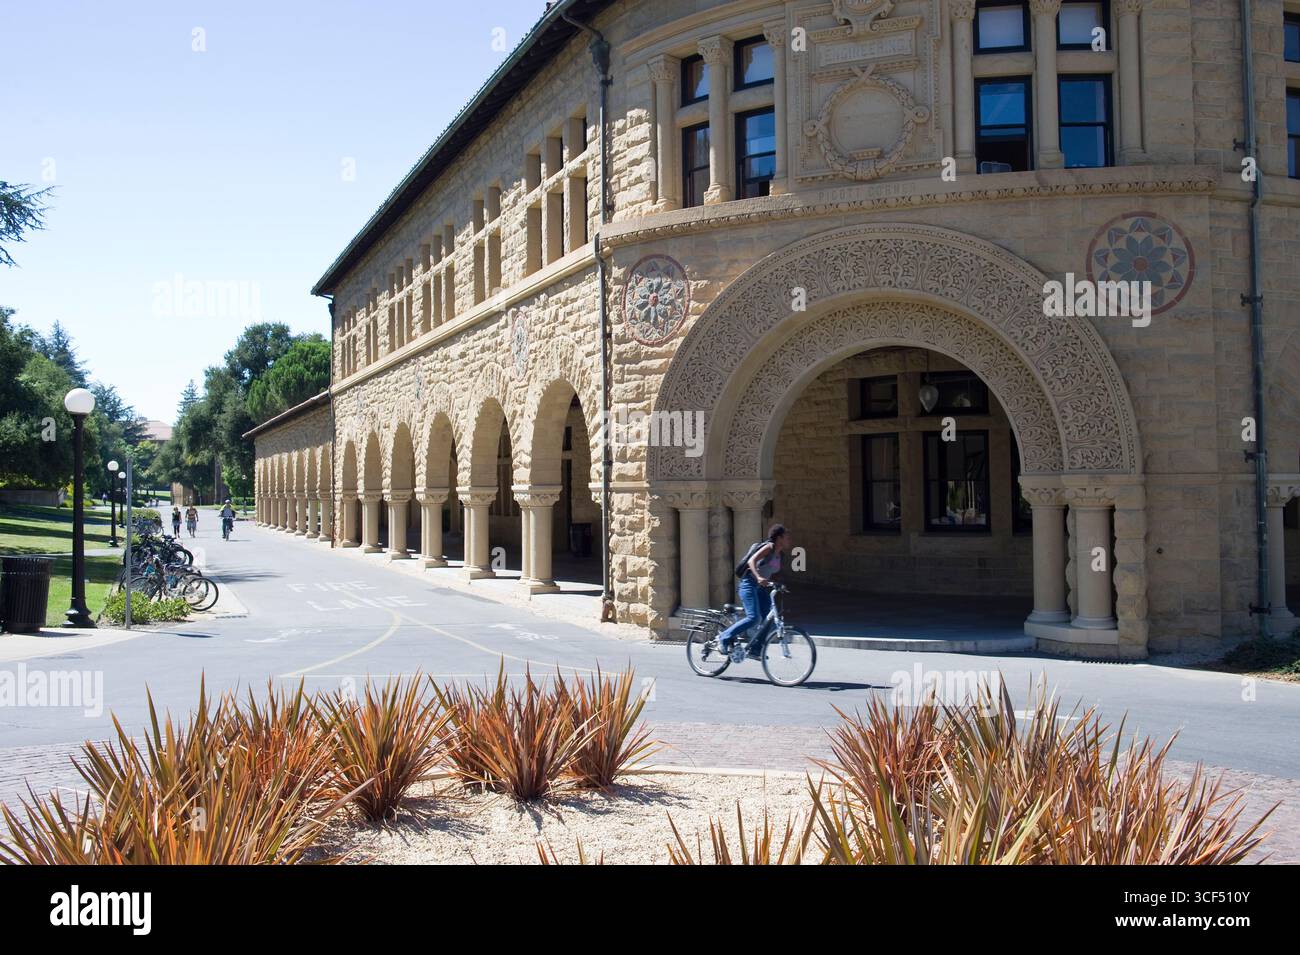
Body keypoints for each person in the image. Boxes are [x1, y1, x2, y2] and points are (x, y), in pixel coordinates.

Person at [717, 523, 791, 658]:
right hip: (749, 583)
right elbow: (752, 561)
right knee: (754, 618)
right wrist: (758, 577)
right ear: (779, 538)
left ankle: (755, 649)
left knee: (769, 617)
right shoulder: (769, 547)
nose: (789, 540)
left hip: (761, 588)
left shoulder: (780, 555)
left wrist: (778, 584)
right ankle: (724, 638)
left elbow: (771, 572)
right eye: (786, 537)